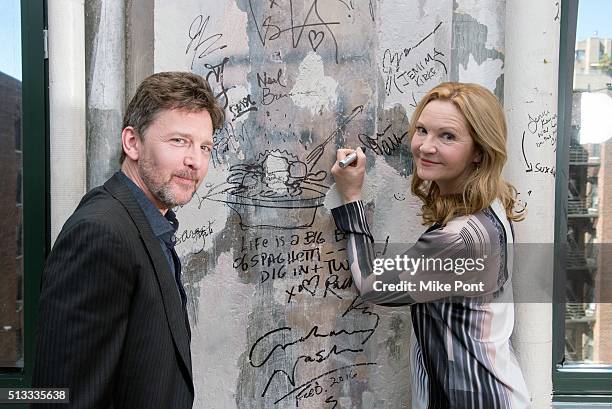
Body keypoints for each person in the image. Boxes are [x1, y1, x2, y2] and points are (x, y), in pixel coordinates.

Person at [331, 82, 530, 408]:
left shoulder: (462, 240)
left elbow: (370, 285)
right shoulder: (490, 206)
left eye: (447, 136)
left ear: (479, 151)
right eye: (422, 130)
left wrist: (351, 198)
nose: (425, 146)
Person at [33, 72, 225, 408]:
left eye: (205, 146)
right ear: (132, 143)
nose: (195, 160)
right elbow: (60, 398)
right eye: (179, 141)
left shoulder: (151, 222)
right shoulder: (101, 233)